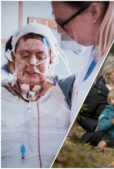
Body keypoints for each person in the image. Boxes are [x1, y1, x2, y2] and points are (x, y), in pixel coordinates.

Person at [1, 23, 70, 168]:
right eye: (25, 55)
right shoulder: (3, 94)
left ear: (51, 59)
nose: (32, 62)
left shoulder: (65, 91)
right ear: (13, 57)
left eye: (40, 56)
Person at [51, 1, 114, 123]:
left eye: (62, 23)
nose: (59, 30)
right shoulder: (89, 50)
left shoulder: (111, 57)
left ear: (94, 12)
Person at [78, 56, 114, 150]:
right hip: (102, 131)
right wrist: (95, 126)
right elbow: (82, 116)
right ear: (108, 73)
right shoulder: (97, 92)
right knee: (95, 136)